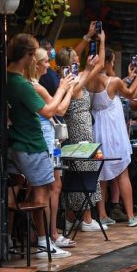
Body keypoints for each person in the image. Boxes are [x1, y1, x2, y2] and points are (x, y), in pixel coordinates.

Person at [4, 34, 80, 259]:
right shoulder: (22, 84)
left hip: (16, 142)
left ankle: (9, 240)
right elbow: (49, 111)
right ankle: (44, 242)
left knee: (15, 192)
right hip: (31, 142)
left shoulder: (7, 79)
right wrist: (63, 87)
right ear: (28, 56)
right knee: (43, 191)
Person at [25, 45, 80, 252]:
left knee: (43, 188)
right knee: (49, 188)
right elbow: (59, 110)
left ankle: (44, 234)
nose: (49, 65)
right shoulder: (36, 87)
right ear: (36, 64)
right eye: (46, 61)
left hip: (45, 139)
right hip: (45, 140)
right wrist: (66, 89)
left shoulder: (32, 85)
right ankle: (48, 235)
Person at [85, 40, 137, 226]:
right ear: (108, 62)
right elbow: (129, 94)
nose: (113, 65)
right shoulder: (114, 81)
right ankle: (130, 216)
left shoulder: (89, 81)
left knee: (101, 174)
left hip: (98, 131)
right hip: (113, 133)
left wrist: (130, 77)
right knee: (122, 173)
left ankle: (103, 215)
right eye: (112, 62)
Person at [56, 43, 108, 233]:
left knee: (83, 167)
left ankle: (76, 216)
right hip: (78, 129)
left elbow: (99, 65)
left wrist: (99, 40)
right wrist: (87, 67)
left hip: (84, 126)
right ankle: (84, 218)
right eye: (74, 61)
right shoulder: (71, 82)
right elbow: (95, 68)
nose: (78, 63)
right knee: (83, 167)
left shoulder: (75, 80)